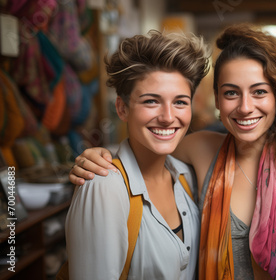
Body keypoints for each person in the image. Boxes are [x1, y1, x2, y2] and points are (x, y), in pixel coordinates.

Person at [68, 24, 276, 280]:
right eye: (231, 93)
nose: (245, 107)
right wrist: (97, 155)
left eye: (259, 91)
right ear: (217, 99)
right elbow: (146, 148)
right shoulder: (202, 149)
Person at [64, 30, 210, 279]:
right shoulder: (103, 187)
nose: (167, 117)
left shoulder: (187, 177)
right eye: (151, 101)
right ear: (122, 108)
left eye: (180, 102)